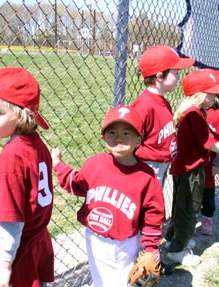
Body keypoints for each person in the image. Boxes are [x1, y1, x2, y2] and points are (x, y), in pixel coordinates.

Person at [51, 106, 165, 287]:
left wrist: (151, 247)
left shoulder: (147, 176)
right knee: (100, 280)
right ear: (103, 138)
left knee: (122, 281)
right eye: (111, 132)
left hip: (126, 242)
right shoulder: (95, 164)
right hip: (95, 237)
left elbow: (154, 215)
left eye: (126, 133)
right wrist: (58, 164)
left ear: (138, 140)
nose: (118, 137)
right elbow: (75, 183)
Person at [0, 67, 54, 287]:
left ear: (21, 113)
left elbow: (11, 220)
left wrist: (5, 265)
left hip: (13, 255)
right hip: (35, 242)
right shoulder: (37, 145)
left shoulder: (11, 160)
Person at [164, 69, 219, 266]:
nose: (214, 97)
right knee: (190, 208)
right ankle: (178, 249)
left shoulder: (196, 112)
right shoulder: (194, 114)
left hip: (184, 168)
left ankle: (174, 238)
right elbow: (211, 143)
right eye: (211, 93)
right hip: (191, 170)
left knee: (180, 205)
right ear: (200, 95)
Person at [130, 45, 195, 188]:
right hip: (148, 167)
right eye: (176, 73)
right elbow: (131, 141)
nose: (179, 77)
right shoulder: (143, 105)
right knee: (148, 204)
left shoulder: (163, 101)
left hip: (162, 164)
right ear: (159, 76)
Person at [200, 94, 219, 236]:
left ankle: (207, 217)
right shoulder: (194, 109)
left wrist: (218, 162)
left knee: (208, 189)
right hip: (192, 159)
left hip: (209, 160)